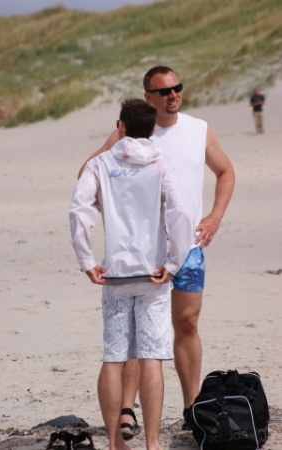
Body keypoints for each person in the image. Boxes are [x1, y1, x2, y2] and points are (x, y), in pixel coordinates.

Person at [78, 66, 235, 432]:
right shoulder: (129, 135)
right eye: (164, 91)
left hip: (189, 246)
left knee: (187, 322)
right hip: (144, 250)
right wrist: (118, 216)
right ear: (147, 97)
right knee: (137, 332)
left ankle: (192, 408)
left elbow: (225, 171)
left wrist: (214, 217)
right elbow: (90, 173)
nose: (173, 96)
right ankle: (128, 408)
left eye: (177, 88)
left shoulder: (199, 129)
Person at [70, 98, 194, 450]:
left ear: (120, 126)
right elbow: (181, 213)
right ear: (152, 129)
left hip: (115, 273)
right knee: (150, 356)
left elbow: (79, 211)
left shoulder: (100, 163)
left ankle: (115, 443)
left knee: (114, 356)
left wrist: (87, 260)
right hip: (152, 273)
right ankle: (153, 443)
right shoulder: (161, 162)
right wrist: (173, 263)